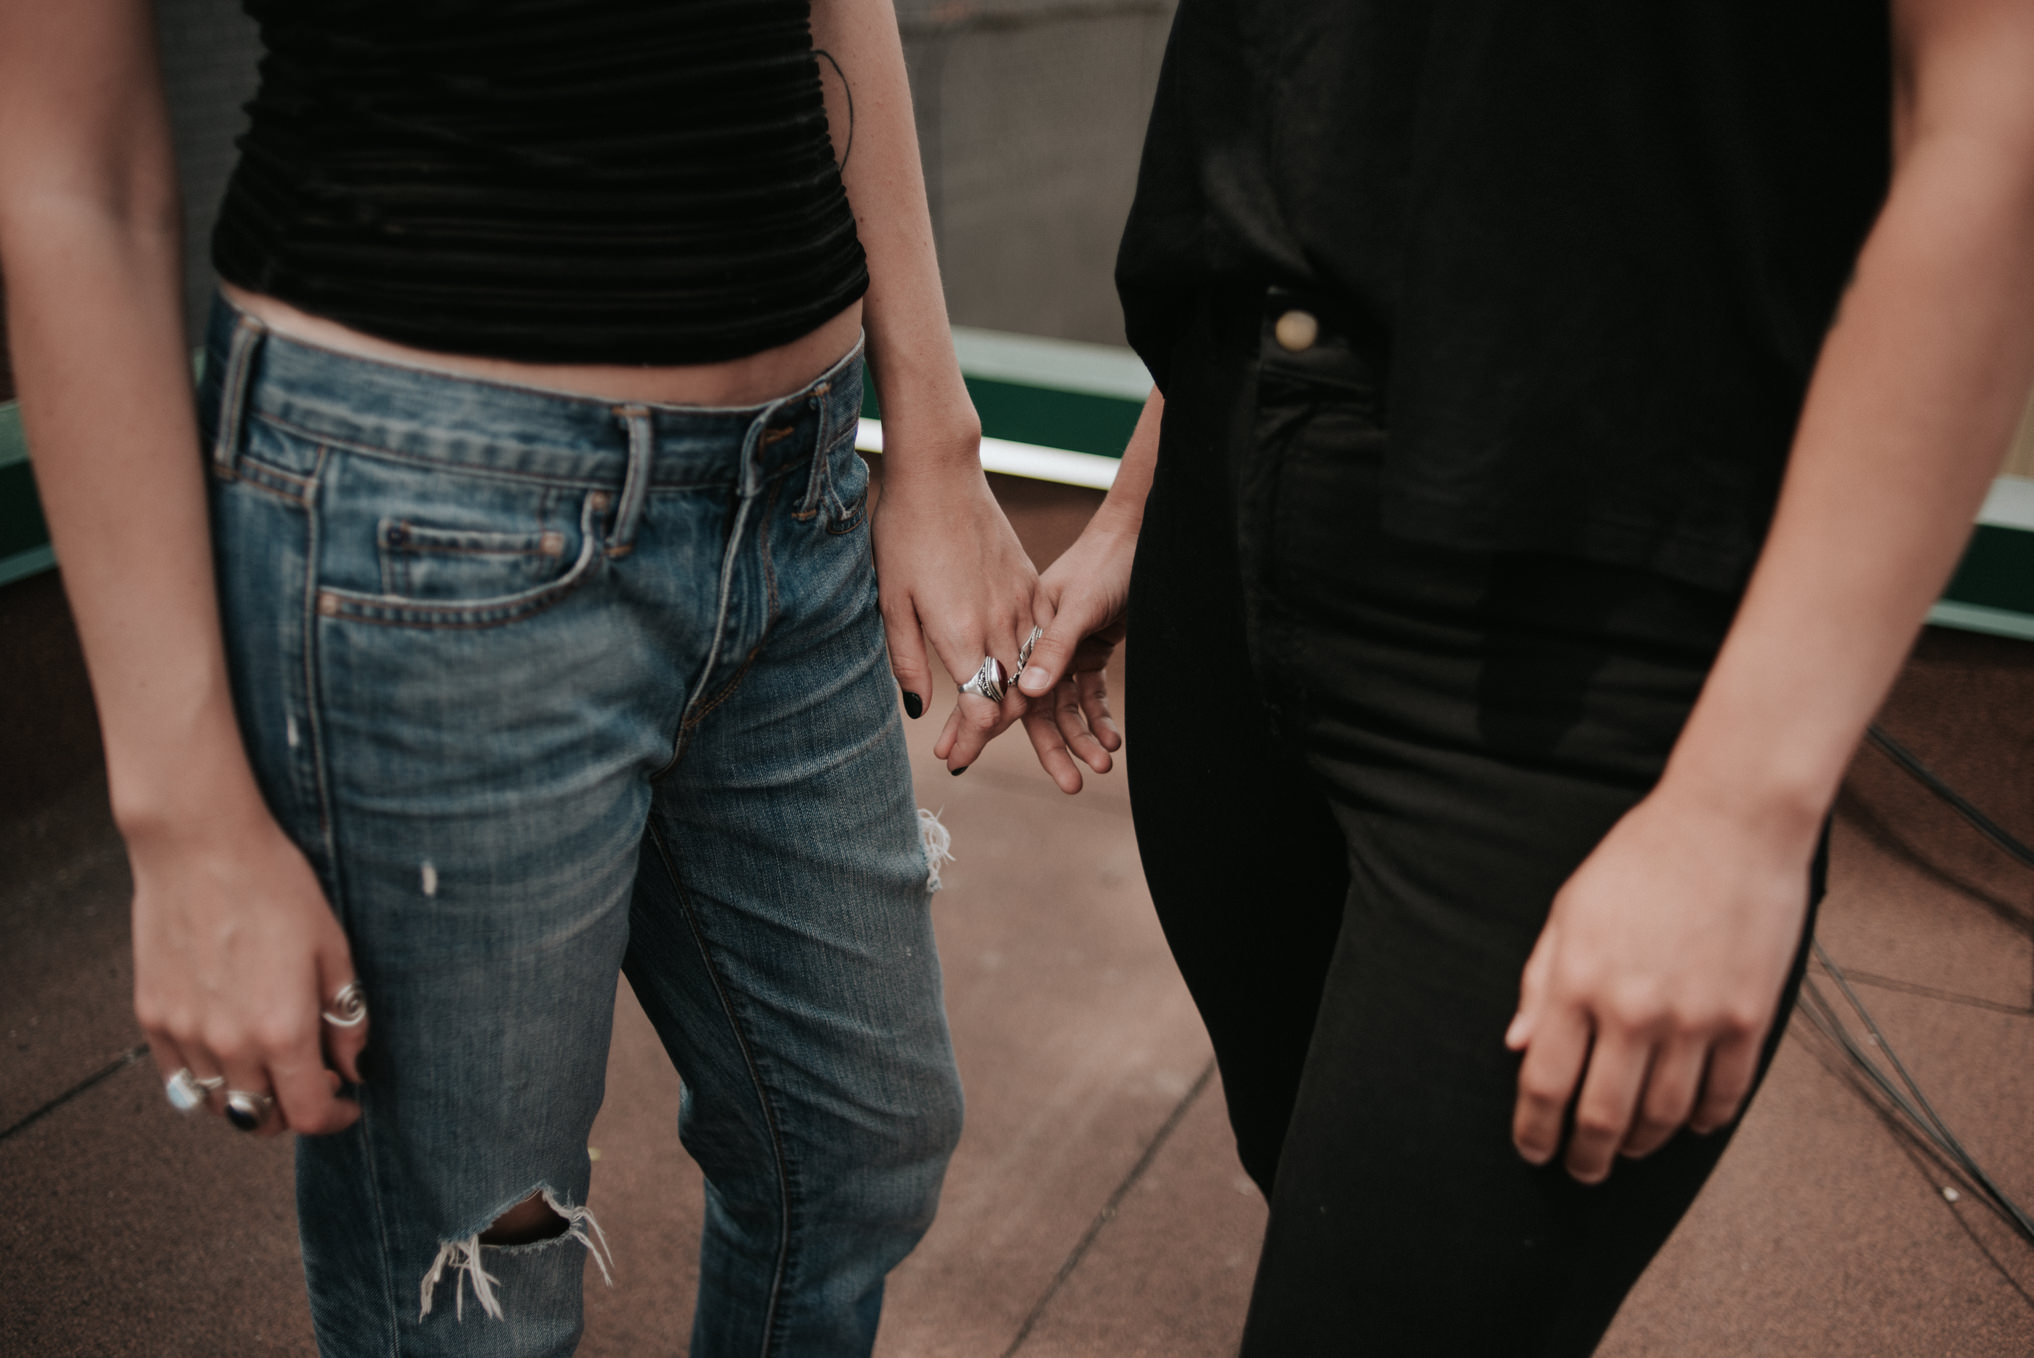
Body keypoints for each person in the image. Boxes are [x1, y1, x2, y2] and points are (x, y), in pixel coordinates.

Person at [0, 1, 1041, 1353]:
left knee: (858, 1139)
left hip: (796, 486)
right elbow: (68, 167)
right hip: (431, 525)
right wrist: (180, 816)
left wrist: (937, 441)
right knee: (481, 1279)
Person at [1011, 0, 2034, 1351]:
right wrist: (1147, 496)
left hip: (1572, 616)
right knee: (1313, 1182)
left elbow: (1993, 120)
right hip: (1226, 526)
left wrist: (1742, 805)